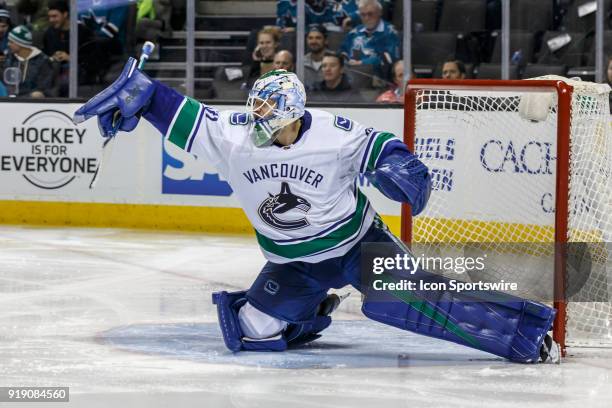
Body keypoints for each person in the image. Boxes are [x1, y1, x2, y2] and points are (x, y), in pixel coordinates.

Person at [73, 60, 560, 364]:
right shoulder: (236, 134)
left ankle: (525, 333)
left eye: (272, 122)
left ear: (296, 117)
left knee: (410, 302)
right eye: (258, 117)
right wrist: (145, 95)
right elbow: (185, 116)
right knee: (251, 334)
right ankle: (309, 313)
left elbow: (387, 148)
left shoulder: (334, 132)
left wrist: (403, 173)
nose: (260, 128)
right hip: (294, 262)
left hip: (357, 245)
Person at [340, 0, 399, 78]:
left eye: (370, 14)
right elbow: (343, 51)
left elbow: (390, 58)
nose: (367, 18)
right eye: (363, 15)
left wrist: (362, 63)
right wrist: (346, 62)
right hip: (352, 77)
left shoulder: (390, 32)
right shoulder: (354, 32)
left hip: (378, 79)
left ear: (380, 13)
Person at [2, 25, 53, 97]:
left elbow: (43, 87)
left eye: (11, 42)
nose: (8, 44)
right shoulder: (9, 58)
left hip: (31, 99)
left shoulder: (43, 61)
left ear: (20, 44)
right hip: (9, 97)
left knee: (37, 95)